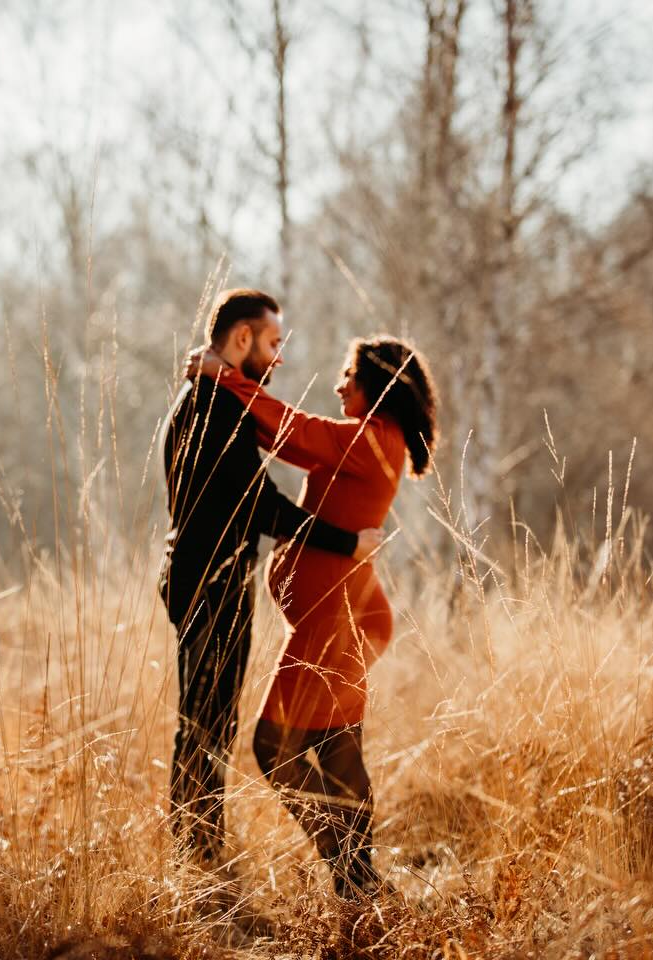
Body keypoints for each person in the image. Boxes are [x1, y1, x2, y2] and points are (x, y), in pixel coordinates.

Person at [188, 334, 439, 897]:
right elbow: (289, 441)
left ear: (377, 385)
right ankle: (364, 884)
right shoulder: (373, 440)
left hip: (332, 621)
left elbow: (297, 429)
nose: (339, 384)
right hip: (344, 615)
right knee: (336, 745)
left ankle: (354, 877)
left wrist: (223, 375)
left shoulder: (372, 440)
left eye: (349, 375)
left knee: (274, 746)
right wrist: (226, 397)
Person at [158, 289, 383, 870]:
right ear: (241, 338)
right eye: (273, 342)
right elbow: (261, 506)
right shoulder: (214, 404)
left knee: (206, 723)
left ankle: (199, 858)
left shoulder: (204, 397)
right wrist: (346, 542)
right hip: (212, 581)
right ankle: (200, 863)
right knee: (206, 726)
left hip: (201, 575)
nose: (278, 356)